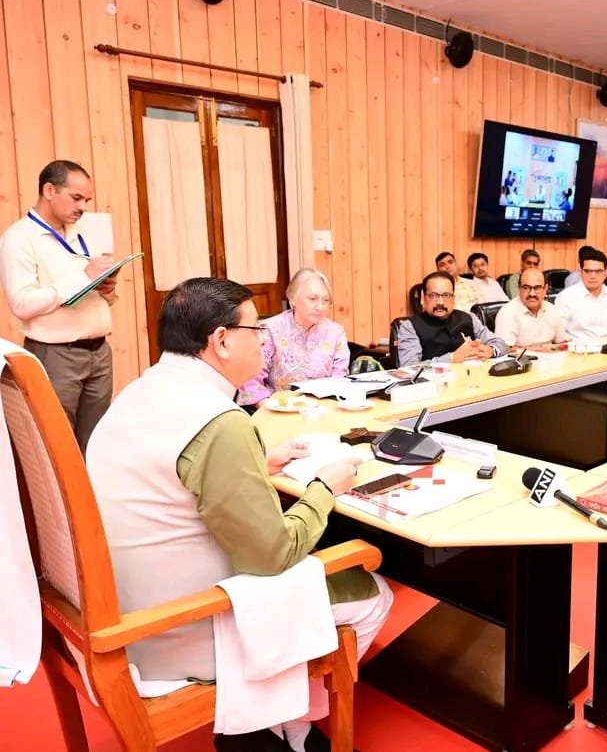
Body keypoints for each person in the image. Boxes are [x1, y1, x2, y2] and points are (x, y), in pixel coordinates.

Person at [86, 277, 393, 752]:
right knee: (373, 593)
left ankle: (279, 724)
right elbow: (272, 556)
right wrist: (324, 488)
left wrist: (256, 462)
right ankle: (286, 726)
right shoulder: (219, 421)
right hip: (186, 626)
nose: (264, 341)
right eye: (257, 330)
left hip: (122, 611)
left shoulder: (140, 391)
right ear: (222, 341)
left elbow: (172, 472)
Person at [0, 160, 120, 453]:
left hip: (99, 352)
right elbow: (21, 303)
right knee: (58, 448)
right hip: (56, 356)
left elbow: (87, 284)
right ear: (49, 190)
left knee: (96, 446)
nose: (83, 207)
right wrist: (82, 278)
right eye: (76, 198)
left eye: (86, 200)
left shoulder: (82, 233)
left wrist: (106, 289)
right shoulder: (18, 239)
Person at [237, 268, 348, 407]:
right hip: (278, 408)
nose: (320, 307)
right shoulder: (269, 330)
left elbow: (339, 380)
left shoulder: (335, 332)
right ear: (292, 298)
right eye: (312, 299)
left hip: (323, 408)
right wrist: (271, 406)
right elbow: (251, 380)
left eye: (326, 300)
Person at [396, 271, 508, 365]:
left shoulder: (469, 318)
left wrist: (490, 350)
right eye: (433, 296)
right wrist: (451, 359)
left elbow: (501, 344)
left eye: (446, 295)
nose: (440, 302)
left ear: (453, 298)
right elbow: (409, 367)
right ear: (423, 298)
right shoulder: (409, 327)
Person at [555, 248, 607, 340]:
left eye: (598, 271)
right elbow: (559, 334)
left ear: (605, 273)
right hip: (578, 347)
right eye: (588, 271)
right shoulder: (566, 297)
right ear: (581, 272)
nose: (593, 276)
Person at [494, 267, 567, 348]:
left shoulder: (552, 310)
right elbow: (504, 349)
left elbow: (562, 343)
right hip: (521, 357)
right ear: (519, 288)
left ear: (545, 289)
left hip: (552, 355)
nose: (532, 294)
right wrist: (539, 350)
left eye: (537, 288)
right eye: (526, 288)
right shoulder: (507, 313)